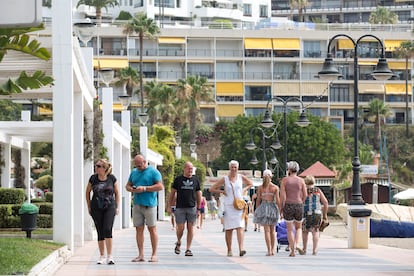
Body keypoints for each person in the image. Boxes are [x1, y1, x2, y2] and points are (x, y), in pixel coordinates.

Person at [209, 160, 253, 257]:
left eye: (235, 167)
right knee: (229, 229)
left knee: (240, 227)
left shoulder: (241, 177)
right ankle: (229, 250)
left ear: (238, 168)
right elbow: (211, 188)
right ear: (229, 168)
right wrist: (221, 191)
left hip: (239, 206)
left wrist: (244, 189)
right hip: (229, 206)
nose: (233, 169)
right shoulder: (225, 179)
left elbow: (251, 184)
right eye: (232, 167)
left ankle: (241, 249)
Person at [125, 154, 164, 263]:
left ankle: (154, 254)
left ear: (145, 162)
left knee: (152, 228)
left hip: (150, 204)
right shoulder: (134, 172)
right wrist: (132, 189)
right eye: (136, 166)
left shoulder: (154, 172)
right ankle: (140, 255)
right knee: (139, 229)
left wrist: (145, 188)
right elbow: (127, 186)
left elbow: (160, 186)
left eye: (140, 165)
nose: (138, 167)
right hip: (137, 204)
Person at [85, 159, 120, 265]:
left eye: (99, 166)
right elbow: (87, 192)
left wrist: (117, 207)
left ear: (104, 168)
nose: (96, 167)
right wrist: (89, 206)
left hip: (110, 207)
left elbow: (117, 193)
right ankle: (102, 255)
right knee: (100, 231)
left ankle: (110, 255)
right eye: (96, 165)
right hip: (96, 208)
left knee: (107, 229)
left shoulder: (112, 178)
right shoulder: (93, 178)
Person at [169, 161, 202, 257]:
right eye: (189, 168)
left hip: (191, 207)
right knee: (181, 228)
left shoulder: (196, 180)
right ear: (184, 169)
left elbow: (199, 194)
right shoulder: (178, 180)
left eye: (192, 169)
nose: (190, 170)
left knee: (190, 228)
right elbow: (172, 193)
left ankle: (188, 248)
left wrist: (199, 208)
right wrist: (170, 206)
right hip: (180, 207)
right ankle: (178, 241)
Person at [280, 161, 307, 257]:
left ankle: (292, 250)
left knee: (289, 229)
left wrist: (281, 208)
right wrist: (301, 202)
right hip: (299, 204)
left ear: (289, 169)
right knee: (299, 227)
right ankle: (297, 244)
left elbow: (282, 196)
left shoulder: (285, 180)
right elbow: (305, 194)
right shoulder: (301, 181)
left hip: (288, 204)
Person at [253, 169, 280, 256]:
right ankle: (272, 249)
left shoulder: (260, 187)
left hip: (264, 207)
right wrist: (280, 210)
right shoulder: (275, 188)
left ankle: (268, 250)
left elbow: (258, 200)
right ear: (271, 176)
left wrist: (256, 210)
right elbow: (278, 200)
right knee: (272, 231)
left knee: (266, 231)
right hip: (272, 207)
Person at [300, 175, 329, 255]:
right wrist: (325, 215)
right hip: (317, 213)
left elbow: (300, 202)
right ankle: (315, 250)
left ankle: (304, 249)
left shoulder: (303, 191)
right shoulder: (318, 190)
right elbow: (325, 203)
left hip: (306, 213)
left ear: (305, 182)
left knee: (305, 231)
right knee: (315, 231)